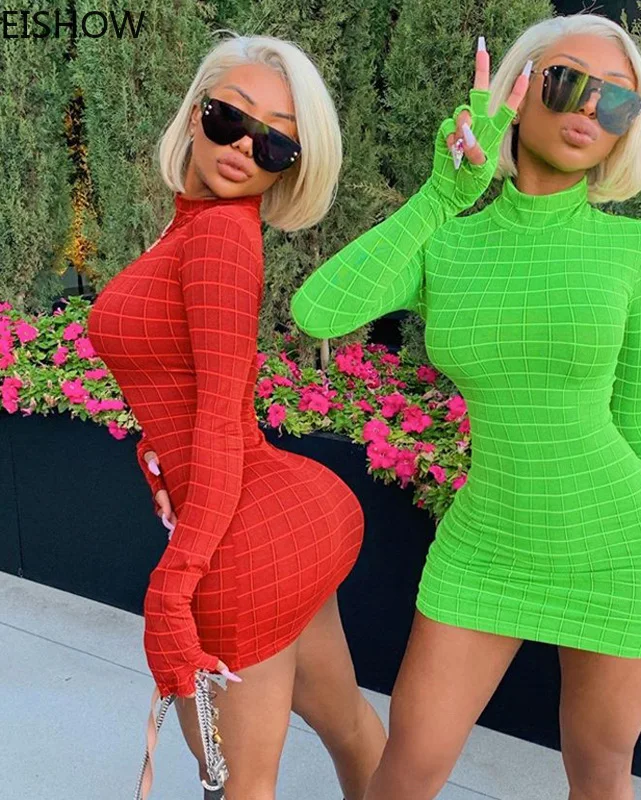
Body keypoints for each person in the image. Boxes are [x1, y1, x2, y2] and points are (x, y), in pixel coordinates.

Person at [290, 14, 641, 800]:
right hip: (486, 548)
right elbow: (317, 311)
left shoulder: (633, 251)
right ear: (517, 94)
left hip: (627, 551)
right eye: (567, 81)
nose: (588, 108)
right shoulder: (449, 242)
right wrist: (439, 197)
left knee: (598, 774)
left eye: (616, 101)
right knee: (407, 772)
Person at [88, 35, 385, 800]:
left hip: (241, 544)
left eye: (276, 142)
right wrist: (157, 455)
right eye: (231, 118)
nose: (246, 146)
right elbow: (191, 395)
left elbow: (220, 421)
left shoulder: (220, 235)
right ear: (196, 114)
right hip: (280, 518)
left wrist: (171, 588)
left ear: (290, 165)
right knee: (346, 722)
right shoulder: (193, 223)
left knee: (241, 783)